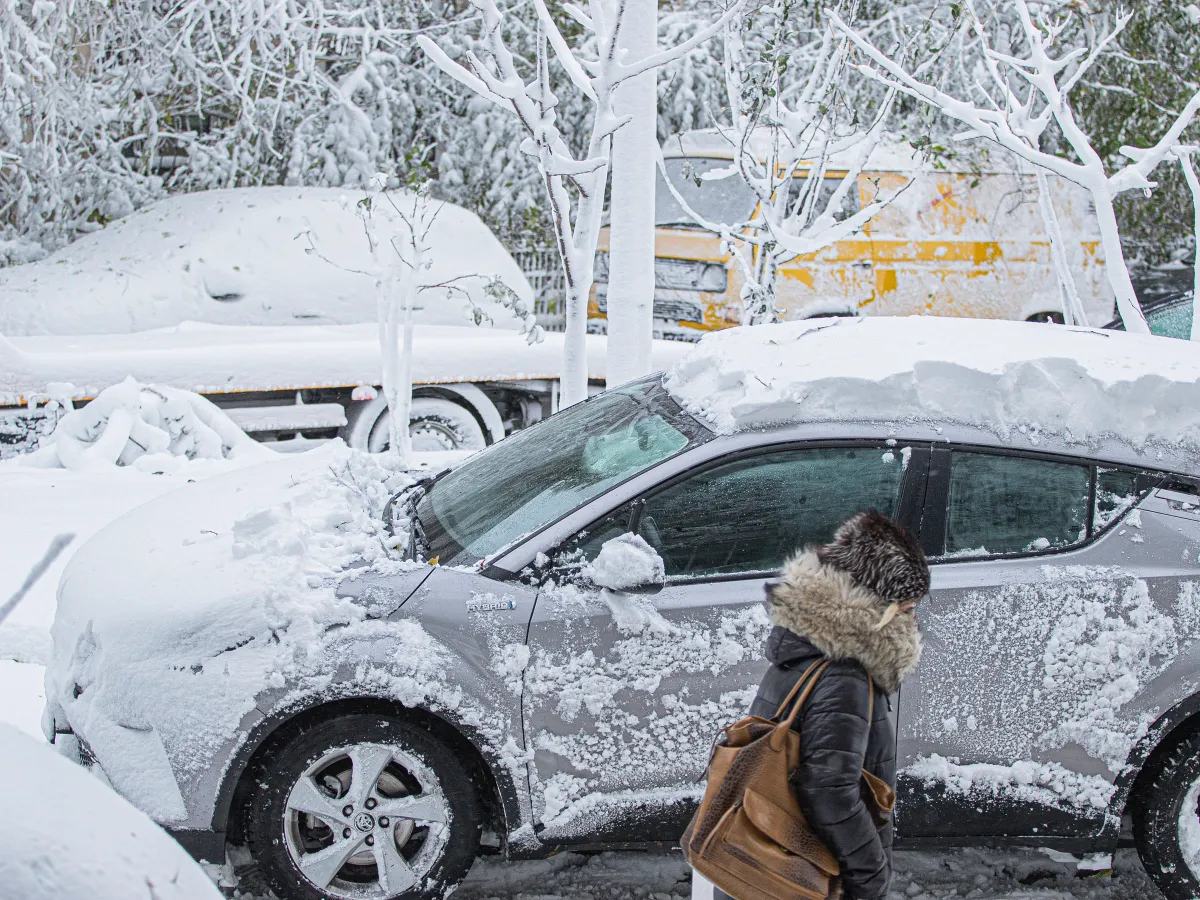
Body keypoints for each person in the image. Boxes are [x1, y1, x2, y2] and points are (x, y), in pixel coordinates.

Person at [695, 509, 928, 900]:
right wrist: (871, 877)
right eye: (907, 608)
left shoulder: (804, 644)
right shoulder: (844, 675)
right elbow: (829, 790)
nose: (913, 619)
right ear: (876, 604)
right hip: (800, 876)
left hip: (767, 864)